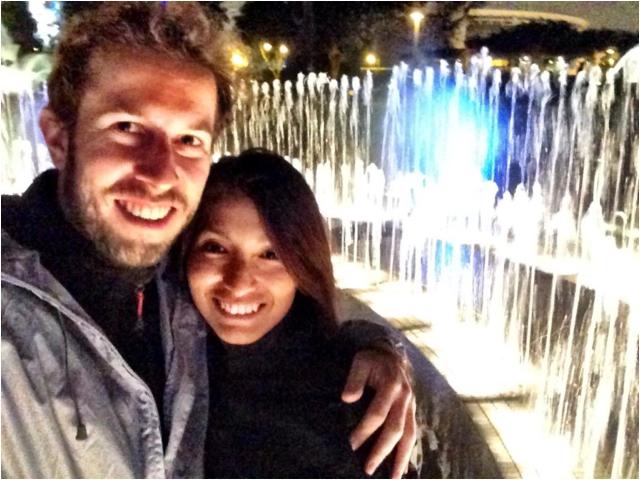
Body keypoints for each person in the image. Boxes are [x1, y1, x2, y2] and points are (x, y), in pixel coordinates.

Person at [1, 3, 415, 478]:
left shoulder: (173, 285)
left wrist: (378, 348)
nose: (160, 174)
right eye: (126, 127)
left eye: (189, 140)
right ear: (58, 138)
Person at [186, 149, 417, 478]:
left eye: (270, 254)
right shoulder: (163, 360)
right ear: (185, 252)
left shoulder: (348, 400)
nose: (238, 282)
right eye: (216, 248)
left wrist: (381, 348)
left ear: (302, 264)